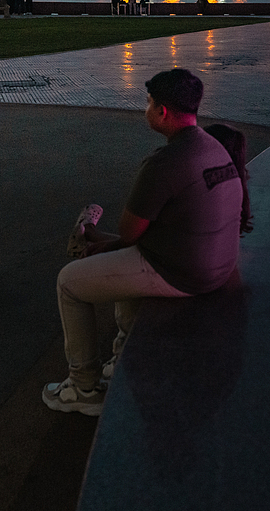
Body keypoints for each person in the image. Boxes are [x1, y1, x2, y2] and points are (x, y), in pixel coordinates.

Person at [43, 69, 244, 416]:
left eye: (148, 104)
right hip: (218, 264)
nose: (146, 110)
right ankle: (123, 355)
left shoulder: (165, 162)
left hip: (184, 272)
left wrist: (102, 241)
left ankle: (83, 387)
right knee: (120, 264)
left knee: (69, 283)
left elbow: (130, 233)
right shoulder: (213, 146)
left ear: (162, 111)